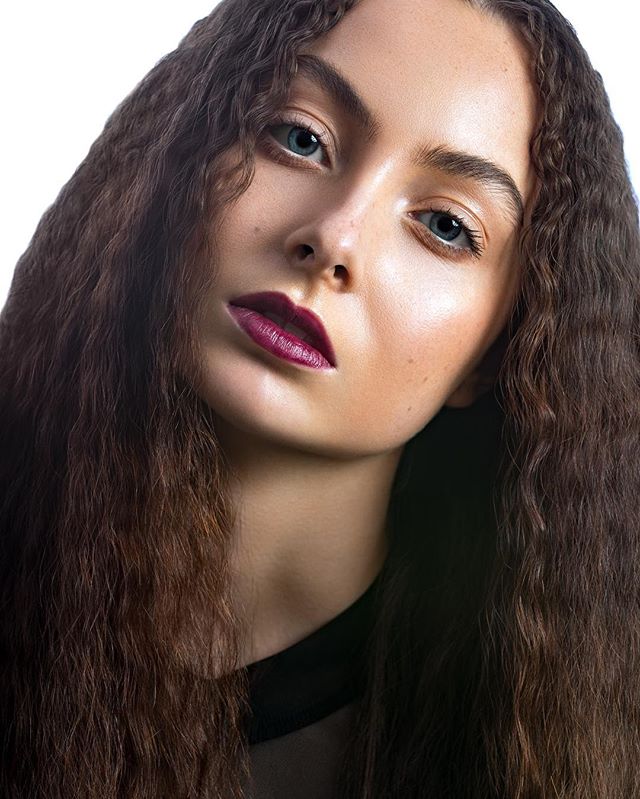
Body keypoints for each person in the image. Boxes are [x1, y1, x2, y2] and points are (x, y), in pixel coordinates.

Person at [0, 0, 638, 797]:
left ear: (504, 352)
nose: (334, 238)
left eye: (444, 225)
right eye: (301, 138)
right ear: (179, 154)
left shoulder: (530, 746)